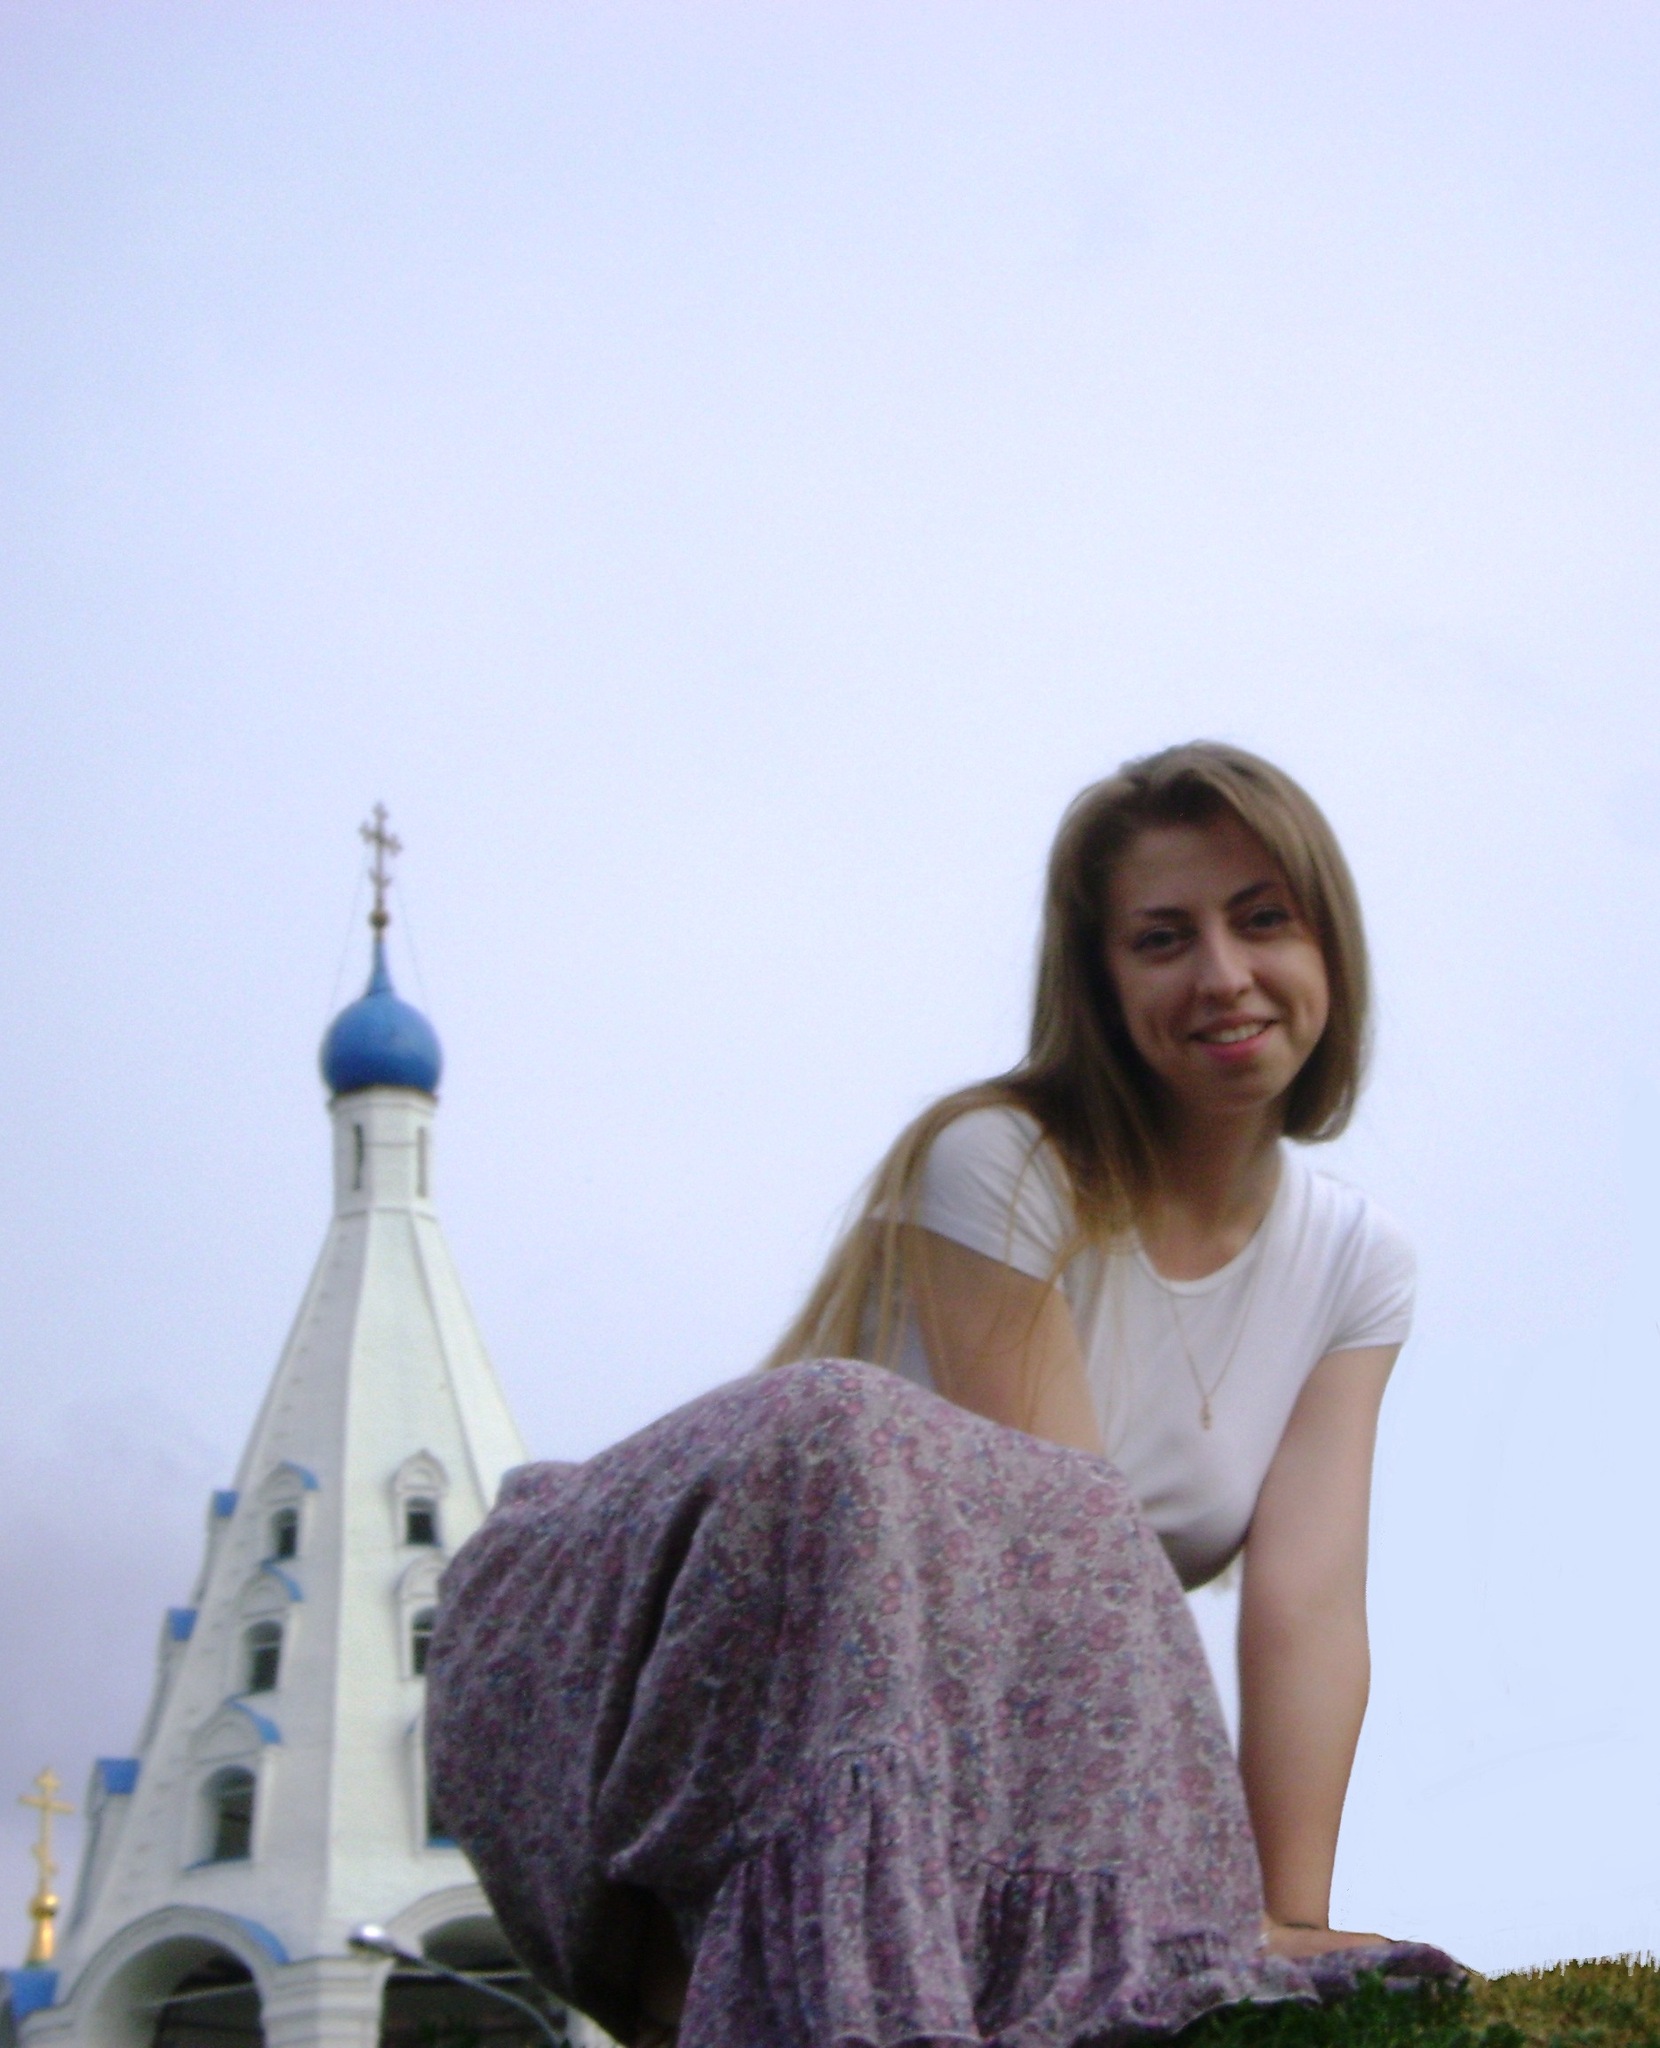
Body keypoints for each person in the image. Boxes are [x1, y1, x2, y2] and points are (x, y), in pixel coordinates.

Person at [427, 743, 1457, 2048]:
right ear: (1100, 985)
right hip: (648, 1658)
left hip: (947, 1731)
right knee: (908, 1455)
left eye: (1264, 920)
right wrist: (1190, 1921)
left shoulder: (1358, 1264)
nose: (1221, 974)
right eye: (1162, 939)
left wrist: (1283, 1918)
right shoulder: (1002, 1163)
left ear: (1329, 948)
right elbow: (1058, 1568)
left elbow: (1306, 1608)